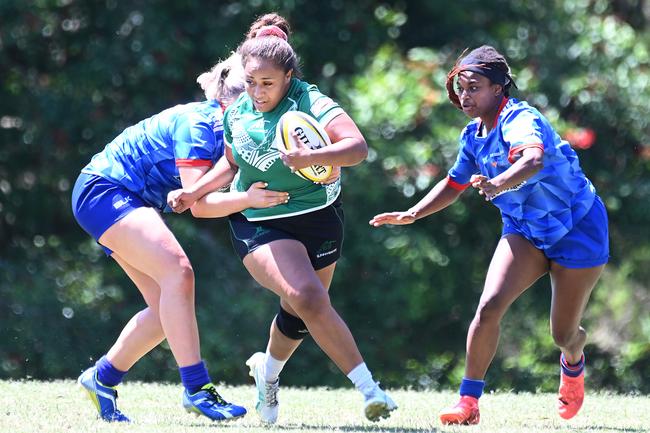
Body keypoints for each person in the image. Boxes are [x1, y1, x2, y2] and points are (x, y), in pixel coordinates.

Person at [167, 13, 397, 424]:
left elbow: (357, 148)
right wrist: (195, 191)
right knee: (309, 298)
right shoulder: (236, 111)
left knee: (300, 312)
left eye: (267, 83)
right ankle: (370, 390)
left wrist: (313, 157)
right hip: (260, 222)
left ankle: (267, 374)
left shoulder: (311, 102)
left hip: (321, 217)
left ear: (289, 76)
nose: (256, 91)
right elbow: (231, 162)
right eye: (251, 81)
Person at [370, 45, 608, 425]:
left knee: (563, 333)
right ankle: (468, 402)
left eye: (474, 87)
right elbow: (454, 183)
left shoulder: (519, 118)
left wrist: (498, 183)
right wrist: (413, 213)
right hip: (525, 231)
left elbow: (533, 159)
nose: (465, 96)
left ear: (498, 89)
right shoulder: (473, 135)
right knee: (489, 305)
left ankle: (574, 359)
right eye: (461, 88)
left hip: (578, 228)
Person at [71, 53, 289, 423]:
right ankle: (197, 388)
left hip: (125, 197)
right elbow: (199, 205)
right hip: (105, 191)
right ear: (233, 104)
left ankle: (102, 379)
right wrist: (249, 198)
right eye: (254, 100)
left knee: (164, 310)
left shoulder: (230, 131)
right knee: (179, 272)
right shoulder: (198, 125)